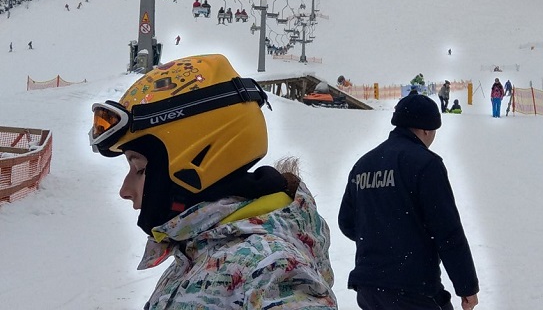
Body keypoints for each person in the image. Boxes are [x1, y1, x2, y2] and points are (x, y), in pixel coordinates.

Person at [89, 54, 337, 309]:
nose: (125, 190)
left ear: (196, 159)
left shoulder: (268, 269)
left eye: (139, 169)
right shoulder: (196, 256)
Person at [338, 94, 479, 310]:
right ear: (426, 129)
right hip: (412, 288)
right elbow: (447, 231)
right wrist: (466, 286)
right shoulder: (426, 164)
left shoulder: (363, 165)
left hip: (369, 288)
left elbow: (347, 222)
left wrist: (381, 238)